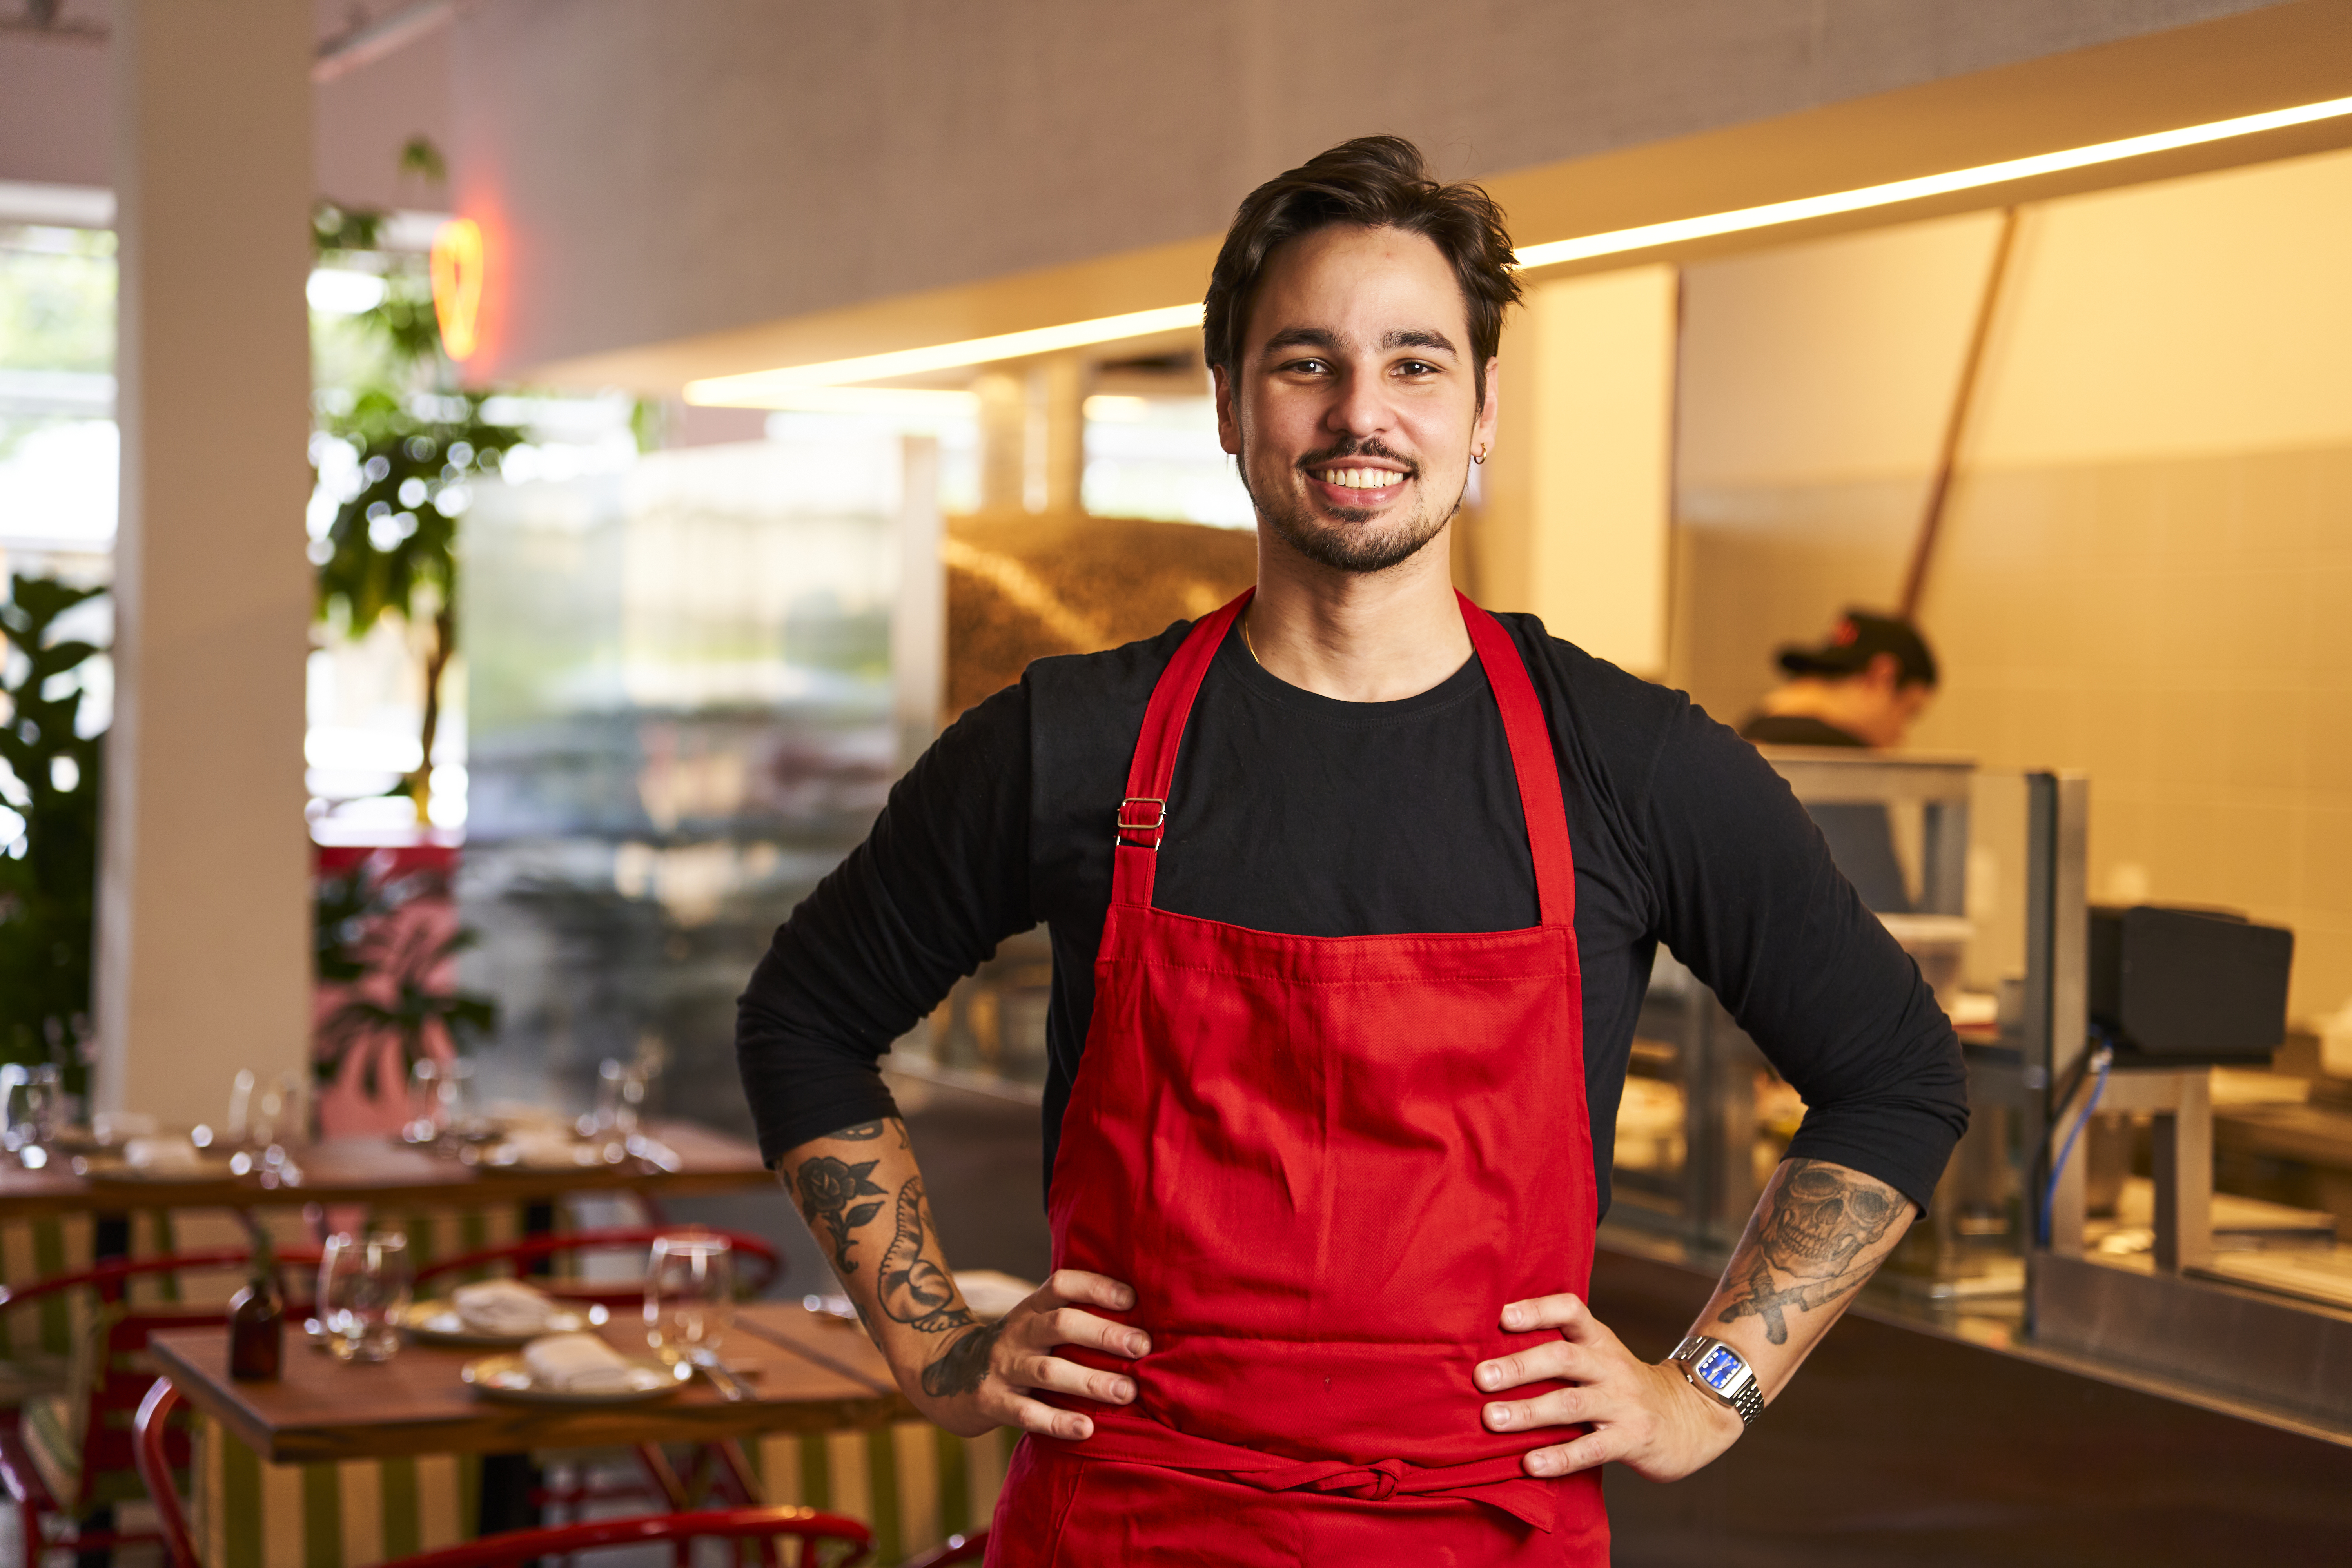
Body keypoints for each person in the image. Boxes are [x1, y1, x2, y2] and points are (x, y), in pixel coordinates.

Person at [737, 137, 1967, 1564]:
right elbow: (804, 1016)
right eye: (1303, 362)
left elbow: (1894, 1074)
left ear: (1484, 408)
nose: (1359, 412)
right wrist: (937, 1340)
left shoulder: (1624, 761)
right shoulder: (1075, 742)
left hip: (1484, 1528)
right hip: (1129, 1520)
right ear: (1227, 404)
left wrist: (1702, 1391)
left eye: (1416, 363)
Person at [1739, 612, 1941, 912]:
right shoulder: (1839, 767)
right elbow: (1884, 911)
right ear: (1881, 677)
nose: (1900, 737)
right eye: (1909, 712)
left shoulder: (1743, 741)